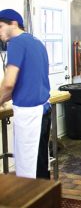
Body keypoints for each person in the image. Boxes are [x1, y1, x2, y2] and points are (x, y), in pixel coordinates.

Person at [0, 9, 51, 179]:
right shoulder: (37, 42)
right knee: (40, 162)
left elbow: (8, 83)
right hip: (43, 110)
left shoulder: (16, 43)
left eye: (0, 26)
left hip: (30, 115)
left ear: (13, 24)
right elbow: (25, 81)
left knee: (29, 167)